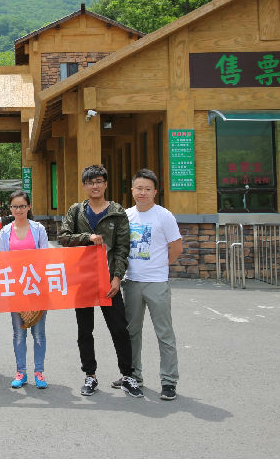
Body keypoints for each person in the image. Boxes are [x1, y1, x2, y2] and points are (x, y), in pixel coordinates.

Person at [58, 164, 142, 398]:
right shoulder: (76, 211)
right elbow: (63, 237)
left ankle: (127, 376)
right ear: (84, 185)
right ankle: (90, 375)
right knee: (85, 330)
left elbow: (123, 247)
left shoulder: (117, 211)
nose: (95, 186)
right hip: (83, 280)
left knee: (120, 329)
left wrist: (117, 277)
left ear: (105, 184)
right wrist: (88, 237)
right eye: (90, 182)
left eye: (99, 182)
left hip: (108, 279)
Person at [118, 168, 183, 401]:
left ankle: (169, 381)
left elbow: (176, 248)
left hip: (156, 283)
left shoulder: (164, 216)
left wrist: (159, 267)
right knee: (131, 332)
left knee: (164, 333)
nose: (143, 192)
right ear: (132, 190)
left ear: (155, 191)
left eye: (148, 189)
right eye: (139, 188)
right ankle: (133, 375)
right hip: (132, 282)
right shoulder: (126, 216)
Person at [0, 190, 50, 390]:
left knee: (39, 334)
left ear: (29, 207)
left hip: (36, 288)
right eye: (14, 206)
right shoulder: (5, 232)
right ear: (10, 209)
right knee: (19, 334)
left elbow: (45, 258)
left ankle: (39, 372)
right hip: (16, 289)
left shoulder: (38, 229)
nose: (18, 210)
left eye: (22, 206)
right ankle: (21, 372)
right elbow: (3, 261)